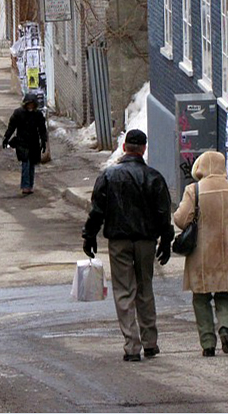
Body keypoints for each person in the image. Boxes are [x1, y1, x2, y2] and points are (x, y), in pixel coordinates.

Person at [82, 129, 174, 363]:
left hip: (119, 240)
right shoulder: (154, 177)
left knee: (124, 290)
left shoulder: (109, 176)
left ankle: (132, 345)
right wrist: (166, 239)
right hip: (146, 241)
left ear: (124, 148)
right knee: (145, 288)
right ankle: (150, 343)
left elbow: (97, 210)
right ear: (143, 149)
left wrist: (89, 235)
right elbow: (164, 213)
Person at [173, 150, 228, 357]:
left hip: (200, 255)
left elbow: (180, 220)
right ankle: (224, 327)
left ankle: (207, 343)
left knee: (201, 298)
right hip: (227, 253)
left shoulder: (193, 190)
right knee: (224, 295)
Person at [2, 93, 47, 195]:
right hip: (22, 142)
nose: (30, 106)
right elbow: (11, 127)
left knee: (32, 164)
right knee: (25, 163)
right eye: (29, 104)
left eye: (32, 105)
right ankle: (25, 186)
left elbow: (42, 129)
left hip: (34, 143)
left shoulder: (38, 115)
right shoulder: (18, 114)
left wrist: (44, 141)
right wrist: (6, 137)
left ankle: (29, 185)